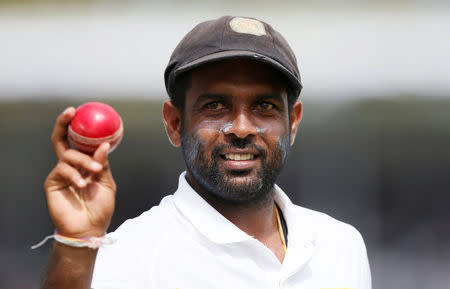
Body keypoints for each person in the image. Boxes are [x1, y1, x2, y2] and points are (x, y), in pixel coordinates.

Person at [40, 16, 371, 289]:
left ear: (293, 122)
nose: (241, 128)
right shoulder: (130, 255)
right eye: (215, 106)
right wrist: (76, 244)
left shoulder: (341, 245)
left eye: (264, 106)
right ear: (174, 122)